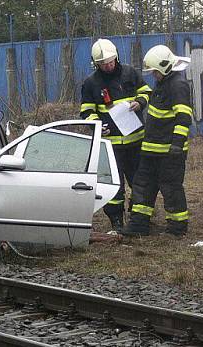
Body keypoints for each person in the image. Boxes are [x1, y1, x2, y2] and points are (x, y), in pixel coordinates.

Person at [80, 39, 152, 232]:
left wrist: (140, 102)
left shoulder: (130, 73)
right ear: (96, 64)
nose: (108, 65)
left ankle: (139, 218)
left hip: (136, 140)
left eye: (110, 61)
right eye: (103, 63)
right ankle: (116, 221)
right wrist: (97, 125)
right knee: (114, 186)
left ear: (116, 57)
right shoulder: (91, 83)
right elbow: (86, 111)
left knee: (139, 181)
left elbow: (146, 91)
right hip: (110, 145)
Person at [122, 44, 193, 237]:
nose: (153, 75)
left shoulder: (178, 85)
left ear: (164, 67)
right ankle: (138, 224)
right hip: (151, 150)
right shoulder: (163, 83)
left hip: (169, 152)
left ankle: (177, 227)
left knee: (170, 188)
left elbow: (184, 117)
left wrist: (177, 144)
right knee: (142, 185)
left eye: (154, 71)